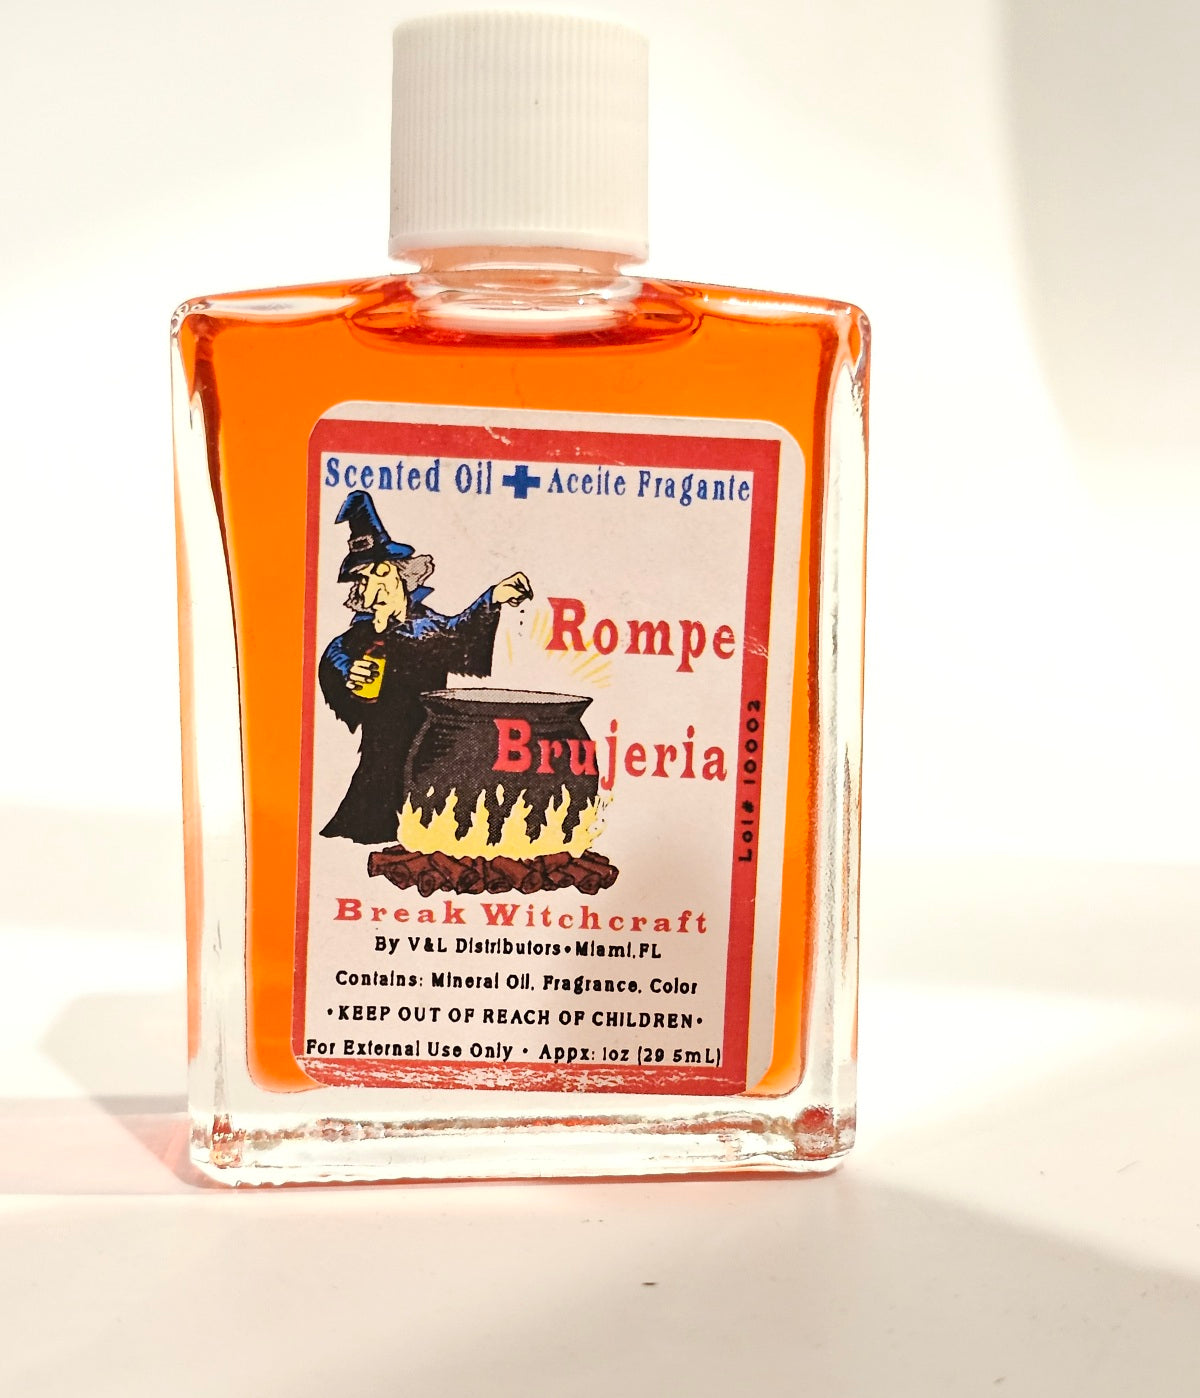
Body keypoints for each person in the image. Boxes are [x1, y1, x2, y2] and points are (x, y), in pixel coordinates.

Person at [318, 490, 531, 844]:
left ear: (402, 575)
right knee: (368, 831)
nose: (374, 586)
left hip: (429, 749)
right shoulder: (358, 637)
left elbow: (461, 634)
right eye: (364, 579)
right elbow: (334, 656)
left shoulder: (426, 628)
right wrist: (348, 671)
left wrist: (494, 596)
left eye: (380, 573)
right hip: (379, 757)